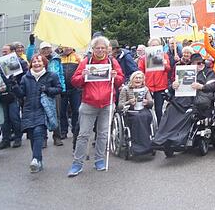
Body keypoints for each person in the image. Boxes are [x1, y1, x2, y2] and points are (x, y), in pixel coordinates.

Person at [68, 36, 124, 177]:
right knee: (83, 135)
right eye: (97, 48)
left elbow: (120, 80)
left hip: (107, 103)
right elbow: (74, 81)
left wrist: (115, 76)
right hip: (89, 103)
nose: (100, 50)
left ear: (107, 49)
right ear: (93, 49)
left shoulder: (112, 62)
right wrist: (83, 76)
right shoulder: (86, 62)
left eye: (103, 48)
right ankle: (77, 163)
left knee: (103, 134)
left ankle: (99, 160)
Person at [9, 54, 62, 172]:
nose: (36, 64)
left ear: (44, 63)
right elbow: (21, 94)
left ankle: (35, 159)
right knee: (32, 135)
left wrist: (48, 90)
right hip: (28, 109)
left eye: (39, 61)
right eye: (34, 62)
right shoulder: (25, 78)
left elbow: (59, 89)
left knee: (39, 132)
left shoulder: (51, 75)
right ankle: (39, 161)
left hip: (44, 109)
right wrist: (14, 84)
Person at [0, 44, 28, 150]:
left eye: (5, 51)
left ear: (12, 51)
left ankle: (18, 137)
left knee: (14, 117)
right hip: (3, 94)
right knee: (4, 118)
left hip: (15, 93)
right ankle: (5, 139)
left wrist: (16, 84)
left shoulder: (21, 62)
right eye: (3, 51)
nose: (3, 53)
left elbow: (25, 77)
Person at [117, 71, 154, 156]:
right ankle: (138, 146)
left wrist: (147, 102)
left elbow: (151, 103)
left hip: (143, 110)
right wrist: (129, 102)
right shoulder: (125, 89)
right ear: (132, 79)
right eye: (136, 78)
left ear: (143, 80)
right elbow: (120, 106)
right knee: (138, 118)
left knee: (145, 116)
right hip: (130, 111)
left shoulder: (145, 89)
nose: (138, 79)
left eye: (140, 78)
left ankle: (146, 144)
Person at [138, 37, 171, 122]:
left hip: (160, 86)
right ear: (149, 46)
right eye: (152, 45)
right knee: (146, 108)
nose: (154, 47)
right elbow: (140, 72)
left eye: (156, 45)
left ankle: (160, 128)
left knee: (159, 109)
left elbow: (168, 69)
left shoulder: (164, 55)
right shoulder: (143, 58)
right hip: (147, 86)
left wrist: (164, 64)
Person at [39, 42, 65, 147]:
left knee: (57, 114)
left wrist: (62, 88)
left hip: (55, 88)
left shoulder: (57, 59)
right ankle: (43, 139)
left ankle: (57, 137)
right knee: (43, 115)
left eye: (47, 48)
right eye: (43, 49)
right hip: (41, 90)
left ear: (51, 49)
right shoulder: (37, 59)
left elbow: (61, 74)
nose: (45, 51)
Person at [59, 47, 81, 142]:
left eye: (69, 46)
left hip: (75, 88)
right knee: (62, 111)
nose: (67, 48)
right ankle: (63, 131)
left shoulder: (78, 57)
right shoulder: (58, 58)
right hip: (62, 89)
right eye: (65, 46)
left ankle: (75, 130)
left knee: (76, 110)